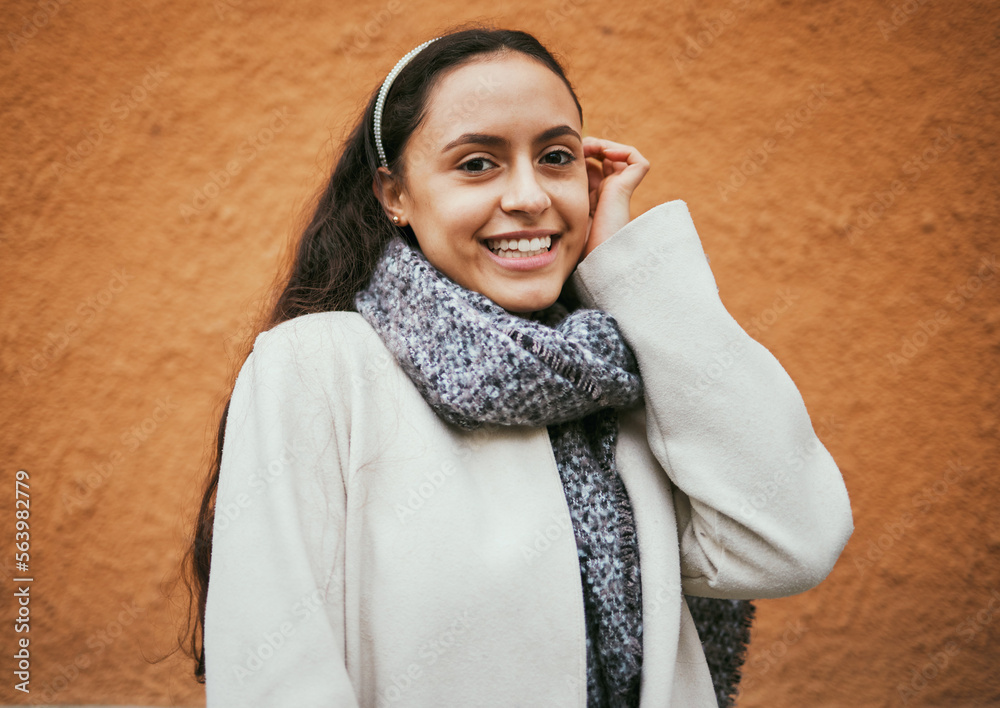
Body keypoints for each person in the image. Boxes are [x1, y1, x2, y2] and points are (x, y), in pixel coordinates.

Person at [187, 26, 853, 707]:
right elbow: (275, 672)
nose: (531, 196)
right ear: (395, 195)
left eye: (557, 157)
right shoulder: (321, 364)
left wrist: (630, 267)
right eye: (477, 164)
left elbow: (790, 540)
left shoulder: (626, 378)